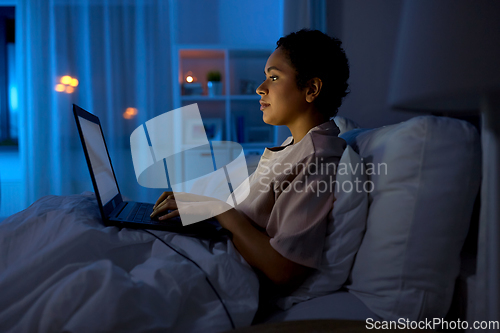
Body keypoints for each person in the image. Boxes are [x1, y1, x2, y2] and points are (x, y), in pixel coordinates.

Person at [150, 29, 350, 296]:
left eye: (274, 77)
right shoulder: (297, 147)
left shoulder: (317, 158)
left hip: (226, 276)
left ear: (311, 89)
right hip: (213, 253)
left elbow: (283, 270)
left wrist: (218, 209)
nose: (260, 88)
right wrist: (202, 207)